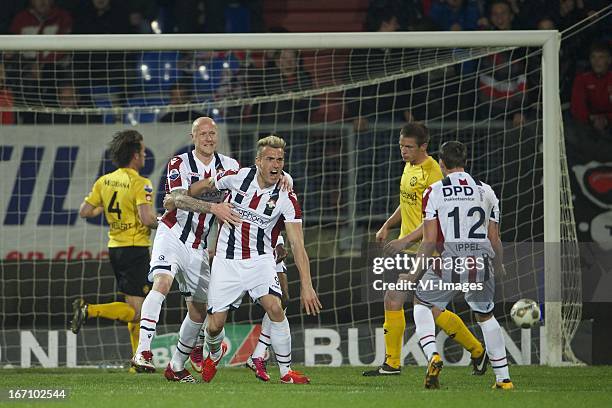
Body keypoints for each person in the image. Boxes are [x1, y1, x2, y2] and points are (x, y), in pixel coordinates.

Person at [363, 123, 487, 376]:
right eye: (401, 146)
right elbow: (406, 202)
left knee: (400, 299)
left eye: (409, 147)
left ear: (423, 147)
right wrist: (387, 225)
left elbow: (436, 218)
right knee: (423, 305)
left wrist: (405, 239)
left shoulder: (433, 173)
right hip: (411, 247)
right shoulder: (409, 167)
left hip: (429, 249)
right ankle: (476, 351)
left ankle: (393, 364)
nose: (403, 151)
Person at [200, 135, 321, 384]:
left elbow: (298, 244)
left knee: (276, 307)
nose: (275, 165)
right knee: (214, 326)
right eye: (269, 159)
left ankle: (286, 372)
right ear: (258, 161)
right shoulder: (238, 177)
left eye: (280, 160)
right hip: (227, 260)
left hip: (260, 260)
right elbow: (210, 184)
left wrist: (307, 285)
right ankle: (214, 353)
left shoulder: (287, 195)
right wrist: (190, 195)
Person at [129, 117, 241, 381]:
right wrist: (211, 206)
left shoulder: (231, 167)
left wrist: (283, 179)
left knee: (200, 312)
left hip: (199, 245)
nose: (208, 138)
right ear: (193, 137)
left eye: (212, 133)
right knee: (162, 283)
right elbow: (176, 199)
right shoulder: (179, 163)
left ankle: (176, 367)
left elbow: (246, 193)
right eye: (202, 133)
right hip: (172, 233)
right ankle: (143, 351)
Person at [407, 140, 512, 390]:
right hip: (482, 262)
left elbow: (430, 240)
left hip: (450, 261)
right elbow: (494, 238)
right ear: (465, 162)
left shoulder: (433, 191)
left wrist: (414, 272)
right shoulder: (486, 191)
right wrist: (499, 264)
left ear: (441, 163)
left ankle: (432, 354)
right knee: (486, 315)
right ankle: (504, 379)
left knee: (421, 303)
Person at [71, 130, 158, 362]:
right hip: (135, 249)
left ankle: (137, 361)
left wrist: (107, 210)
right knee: (139, 311)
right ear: (135, 156)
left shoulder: (104, 181)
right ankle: (90, 310)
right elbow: (147, 218)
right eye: (142, 151)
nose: (144, 155)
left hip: (115, 248)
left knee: (135, 310)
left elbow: (85, 211)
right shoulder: (141, 183)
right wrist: (168, 225)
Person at [570, 42, 611, 135]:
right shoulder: (581, 79)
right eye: (593, 57)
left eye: (601, 57)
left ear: (609, 60)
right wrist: (591, 118)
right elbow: (576, 107)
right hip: (587, 126)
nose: (597, 61)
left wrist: (606, 119)